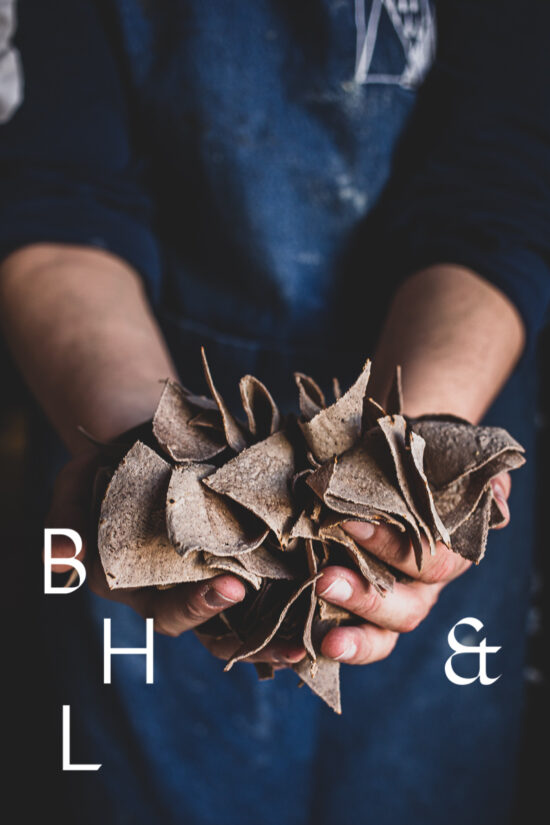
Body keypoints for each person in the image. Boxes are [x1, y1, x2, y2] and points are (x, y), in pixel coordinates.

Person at [0, 1, 548, 823]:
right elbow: (56, 189)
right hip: (118, 379)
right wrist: (136, 471)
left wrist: (407, 474)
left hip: (443, 376)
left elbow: (502, 183)